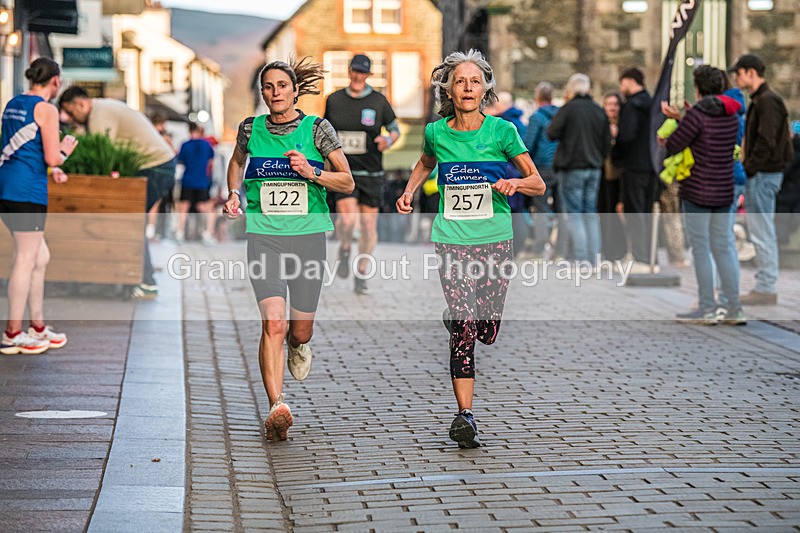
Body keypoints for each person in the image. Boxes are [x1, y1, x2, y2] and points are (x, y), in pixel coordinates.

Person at [396, 50, 545, 448]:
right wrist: (409, 191)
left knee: (487, 330)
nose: (467, 87)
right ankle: (465, 416)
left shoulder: (501, 132)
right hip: (452, 240)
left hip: (495, 240)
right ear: (448, 87)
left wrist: (516, 184)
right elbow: (425, 163)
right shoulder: (435, 132)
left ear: (485, 89)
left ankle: (468, 321)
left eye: (475, 81)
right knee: (464, 325)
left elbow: (538, 182)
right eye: (459, 81)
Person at [223, 58, 354, 441]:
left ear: (296, 90)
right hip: (264, 237)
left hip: (309, 237)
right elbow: (236, 162)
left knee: (299, 330)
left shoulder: (318, 129)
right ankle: (277, 405)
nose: (276, 92)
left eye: (282, 85)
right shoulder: (251, 128)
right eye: (268, 86)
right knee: (273, 323)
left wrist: (311, 172)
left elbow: (345, 181)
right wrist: (234, 193)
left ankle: (299, 345)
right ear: (262, 92)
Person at [58, 86, 177, 300]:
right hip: (158, 164)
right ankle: (134, 280)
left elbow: (102, 151)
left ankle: (146, 282)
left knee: (130, 220)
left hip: (156, 166)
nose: (71, 118)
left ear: (81, 104)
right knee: (131, 220)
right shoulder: (103, 108)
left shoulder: (98, 115)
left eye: (71, 112)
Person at [0, 58, 77, 355]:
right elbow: (51, 155)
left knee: (39, 256)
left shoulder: (12, 103)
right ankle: (13, 333)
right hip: (28, 192)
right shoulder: (47, 109)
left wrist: (51, 167)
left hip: (7, 187)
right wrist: (64, 153)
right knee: (26, 258)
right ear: (55, 81)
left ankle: (38, 327)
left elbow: (22, 147)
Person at [662, 65, 745, 325]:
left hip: (697, 189)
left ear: (699, 88)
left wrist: (677, 120)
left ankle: (708, 308)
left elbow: (675, 143)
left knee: (701, 249)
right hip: (724, 188)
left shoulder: (697, 115)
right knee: (723, 247)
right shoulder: (732, 114)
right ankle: (734, 307)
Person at [324, 54, 400, 294]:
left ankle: (362, 271)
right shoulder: (334, 100)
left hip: (372, 171)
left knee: (368, 226)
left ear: (368, 75)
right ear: (349, 71)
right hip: (344, 172)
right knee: (347, 220)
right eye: (355, 71)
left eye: (363, 72)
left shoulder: (379, 101)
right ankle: (345, 247)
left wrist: (387, 139)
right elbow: (324, 131)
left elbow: (395, 129)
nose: (358, 76)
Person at [730, 54, 794, 305]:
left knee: (762, 230)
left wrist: (750, 168)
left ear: (751, 72)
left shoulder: (767, 101)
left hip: (764, 174)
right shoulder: (763, 99)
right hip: (764, 172)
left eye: (739, 73)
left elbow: (766, 139)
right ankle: (764, 284)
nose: (736, 78)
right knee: (761, 228)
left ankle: (766, 286)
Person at [546, 73, 611, 264]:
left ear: (571, 89)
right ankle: (594, 257)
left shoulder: (568, 109)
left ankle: (582, 257)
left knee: (574, 213)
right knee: (590, 212)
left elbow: (551, 133)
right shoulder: (599, 110)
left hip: (572, 167)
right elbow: (607, 142)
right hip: (594, 167)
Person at [614, 67, 657, 270]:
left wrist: (616, 155)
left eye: (622, 83)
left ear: (630, 81)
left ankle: (639, 257)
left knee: (634, 212)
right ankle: (648, 255)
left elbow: (626, 137)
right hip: (651, 165)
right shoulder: (652, 103)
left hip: (633, 165)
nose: (621, 88)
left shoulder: (631, 106)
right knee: (646, 211)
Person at [524, 82, 562, 259]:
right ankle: (560, 250)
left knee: (540, 208)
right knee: (562, 209)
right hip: (560, 166)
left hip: (542, 167)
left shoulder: (536, 117)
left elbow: (528, 144)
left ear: (537, 97)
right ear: (552, 97)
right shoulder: (560, 115)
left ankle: (540, 248)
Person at [489, 91, 529, 257]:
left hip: (506, 170)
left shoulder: (503, 123)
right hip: (518, 171)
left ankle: (509, 247)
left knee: (505, 210)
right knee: (517, 211)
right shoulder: (521, 121)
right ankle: (518, 246)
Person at [175, 122, 216, 245]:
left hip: (187, 180)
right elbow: (211, 162)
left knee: (183, 207)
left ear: (189, 131)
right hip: (202, 181)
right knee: (205, 208)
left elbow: (180, 161)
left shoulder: (185, 145)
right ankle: (207, 234)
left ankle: (179, 233)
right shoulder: (207, 145)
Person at [598, 92, 627, 261]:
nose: (612, 108)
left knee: (617, 214)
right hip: (603, 176)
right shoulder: (601, 124)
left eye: (615, 104)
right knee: (604, 213)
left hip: (619, 176)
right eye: (608, 104)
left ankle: (618, 251)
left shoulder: (624, 125)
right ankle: (607, 252)